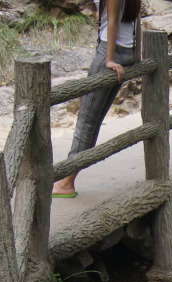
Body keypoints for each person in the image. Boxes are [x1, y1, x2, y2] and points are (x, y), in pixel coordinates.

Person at [51, 0, 141, 198]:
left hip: (110, 53)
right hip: (127, 53)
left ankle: (66, 182)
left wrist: (109, 59)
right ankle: (69, 177)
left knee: (86, 122)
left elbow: (114, 22)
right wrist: (137, 54)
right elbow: (134, 19)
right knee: (94, 120)